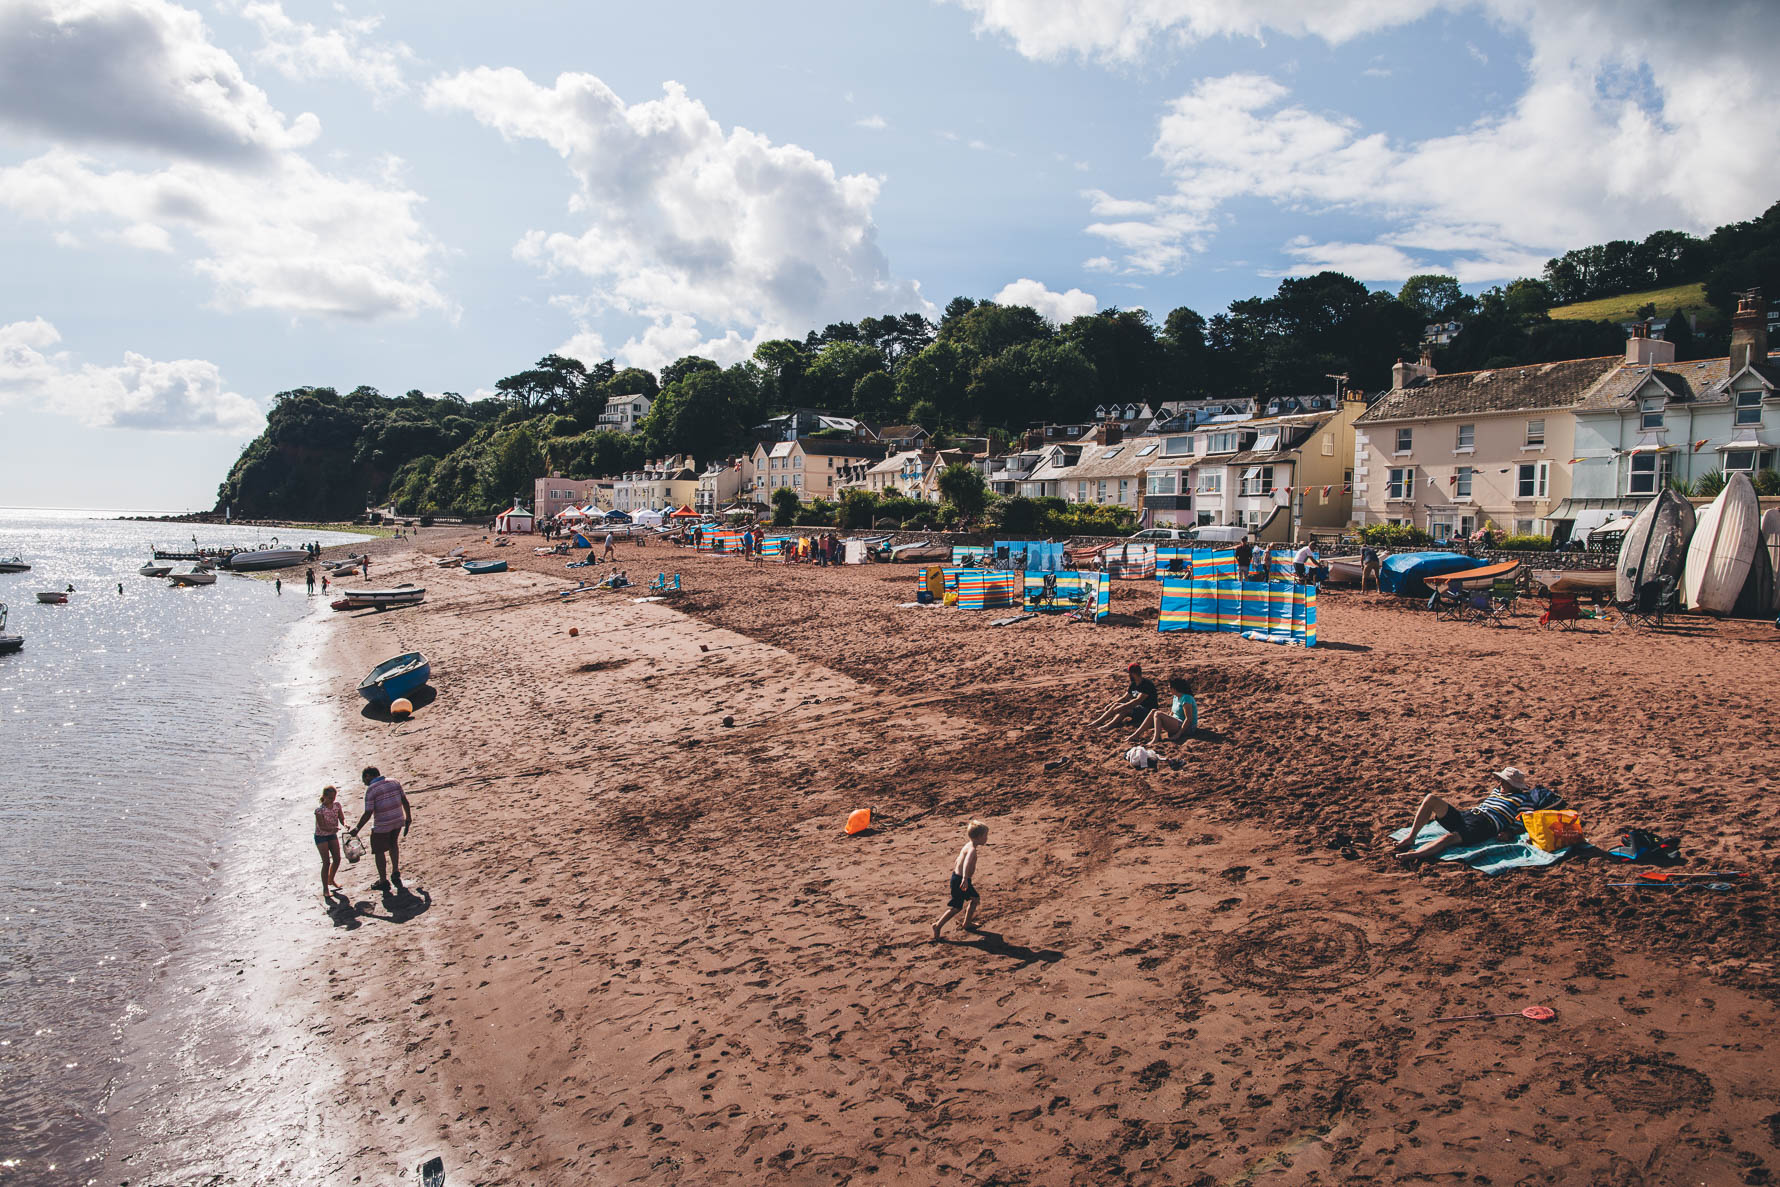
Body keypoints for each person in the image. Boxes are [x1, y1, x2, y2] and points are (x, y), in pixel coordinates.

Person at [1390, 767, 1565, 863]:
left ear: (1513, 785)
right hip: (1469, 815)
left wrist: (1510, 832)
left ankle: (1416, 854)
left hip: (1485, 824)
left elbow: (1525, 820)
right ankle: (1411, 837)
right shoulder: (1498, 790)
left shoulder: (1523, 798)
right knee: (1431, 799)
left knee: (1449, 839)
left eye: (1504, 781)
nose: (1500, 782)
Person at [349, 766, 411, 890]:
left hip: (382, 824)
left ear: (368, 776)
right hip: (398, 819)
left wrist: (357, 828)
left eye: (364, 779)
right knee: (393, 844)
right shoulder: (394, 782)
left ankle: (383, 880)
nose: (364, 782)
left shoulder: (371, 790)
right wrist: (408, 817)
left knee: (379, 851)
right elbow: (404, 800)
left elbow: (368, 812)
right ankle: (395, 871)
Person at [931, 820, 989, 940]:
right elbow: (967, 862)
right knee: (957, 907)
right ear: (979, 837)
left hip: (956, 878)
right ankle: (938, 925)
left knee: (974, 899)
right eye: (985, 836)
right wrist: (964, 878)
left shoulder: (967, 845)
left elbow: (958, 860)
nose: (986, 838)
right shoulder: (972, 849)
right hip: (961, 880)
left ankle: (967, 923)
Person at [1088, 663, 1159, 730]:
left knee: (1125, 710)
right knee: (1117, 705)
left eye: (1129, 673)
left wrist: (1120, 707)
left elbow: (1137, 701)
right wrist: (1112, 704)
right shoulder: (1133, 684)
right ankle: (1097, 722)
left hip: (1148, 712)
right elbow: (1125, 698)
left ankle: (1108, 726)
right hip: (1139, 708)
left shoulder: (1146, 684)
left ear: (1133, 674)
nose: (1128, 675)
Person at [1128, 677, 1196, 746]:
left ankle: (1155, 739)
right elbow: (1172, 712)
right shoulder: (1176, 697)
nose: (1168, 688)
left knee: (1158, 714)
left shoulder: (1186, 698)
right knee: (1153, 711)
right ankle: (1135, 735)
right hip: (1177, 723)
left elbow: (1189, 719)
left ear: (1175, 688)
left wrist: (1178, 734)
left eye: (1170, 687)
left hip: (1187, 728)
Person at [314, 785, 347, 897]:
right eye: (330, 797)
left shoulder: (337, 806)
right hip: (321, 836)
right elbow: (322, 826)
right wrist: (333, 829)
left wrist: (345, 824)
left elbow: (341, 818)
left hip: (332, 834)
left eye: (334, 797)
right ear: (325, 796)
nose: (333, 799)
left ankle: (331, 879)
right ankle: (325, 889)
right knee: (326, 862)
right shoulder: (319, 810)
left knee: (337, 859)